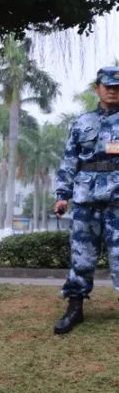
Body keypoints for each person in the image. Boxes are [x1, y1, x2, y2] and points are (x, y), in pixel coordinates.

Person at [52, 66, 119, 334]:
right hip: (85, 198)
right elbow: (70, 160)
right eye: (108, 86)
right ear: (97, 88)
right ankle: (75, 307)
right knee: (81, 255)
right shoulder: (82, 123)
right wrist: (62, 195)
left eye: (117, 86)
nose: (113, 90)